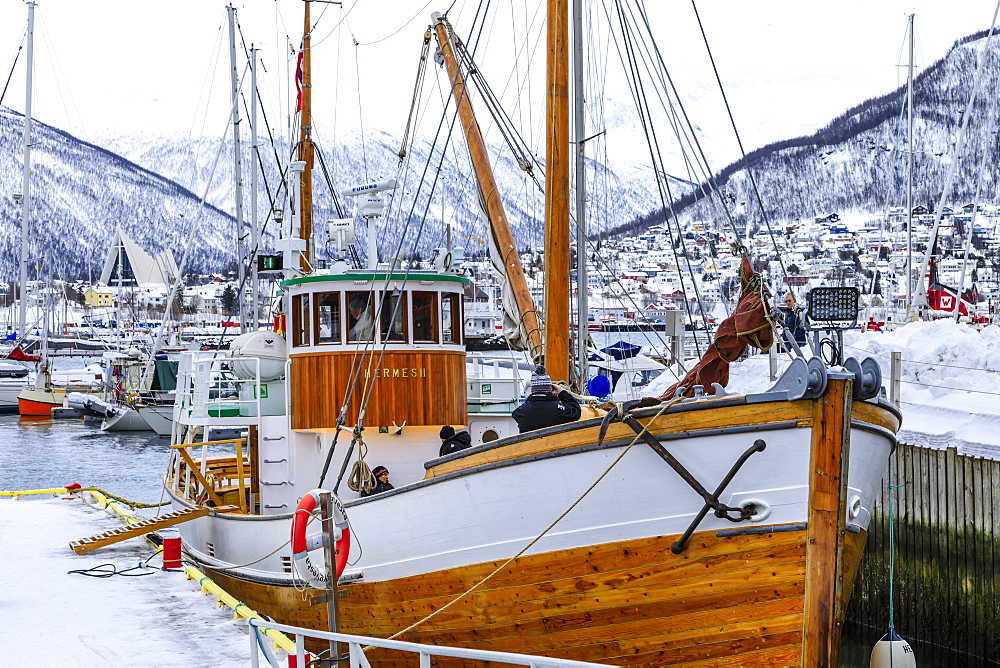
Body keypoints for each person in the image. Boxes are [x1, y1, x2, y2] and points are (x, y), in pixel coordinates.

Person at [512, 366, 582, 433]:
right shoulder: (559, 409)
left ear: (532, 391)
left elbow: (516, 415)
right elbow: (576, 411)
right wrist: (562, 393)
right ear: (550, 390)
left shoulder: (520, 412)